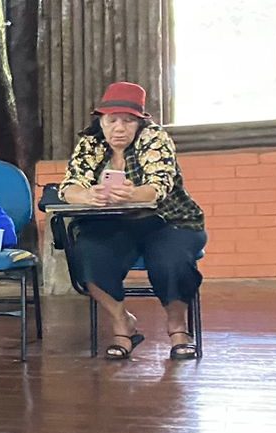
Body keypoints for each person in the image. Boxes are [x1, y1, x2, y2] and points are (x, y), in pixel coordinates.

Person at [59, 81, 205, 360]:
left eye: (128, 121)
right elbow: (70, 186)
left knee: (170, 259)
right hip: (114, 224)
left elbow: (159, 185)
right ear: (101, 122)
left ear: (139, 123)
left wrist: (132, 194)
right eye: (112, 120)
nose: (119, 128)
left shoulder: (155, 138)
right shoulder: (90, 143)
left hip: (168, 221)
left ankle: (178, 329)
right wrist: (87, 196)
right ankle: (121, 323)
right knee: (87, 253)